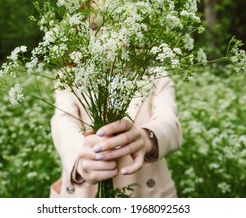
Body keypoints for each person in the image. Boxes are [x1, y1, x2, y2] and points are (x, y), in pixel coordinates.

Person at [49, 76, 182, 198]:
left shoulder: (157, 77)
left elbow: (169, 122)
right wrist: (79, 156)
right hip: (83, 193)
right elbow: (63, 121)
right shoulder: (69, 77)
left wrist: (146, 138)